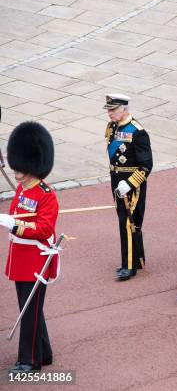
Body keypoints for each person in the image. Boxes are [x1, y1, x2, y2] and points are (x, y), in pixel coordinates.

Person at [0, 122, 58, 372]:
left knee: (29, 310)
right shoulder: (23, 190)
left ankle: (29, 360)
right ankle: (43, 352)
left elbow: (45, 229)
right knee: (30, 308)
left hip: (36, 259)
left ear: (32, 165)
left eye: (21, 168)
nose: (17, 173)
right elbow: (18, 213)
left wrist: (15, 226)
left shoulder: (46, 194)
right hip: (21, 257)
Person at [104, 93, 153, 281]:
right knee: (124, 219)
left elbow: (146, 165)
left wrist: (130, 183)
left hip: (132, 182)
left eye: (113, 110)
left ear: (124, 109)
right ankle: (138, 258)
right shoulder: (111, 127)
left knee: (128, 222)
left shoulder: (138, 132)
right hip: (116, 179)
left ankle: (129, 265)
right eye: (109, 110)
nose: (110, 113)